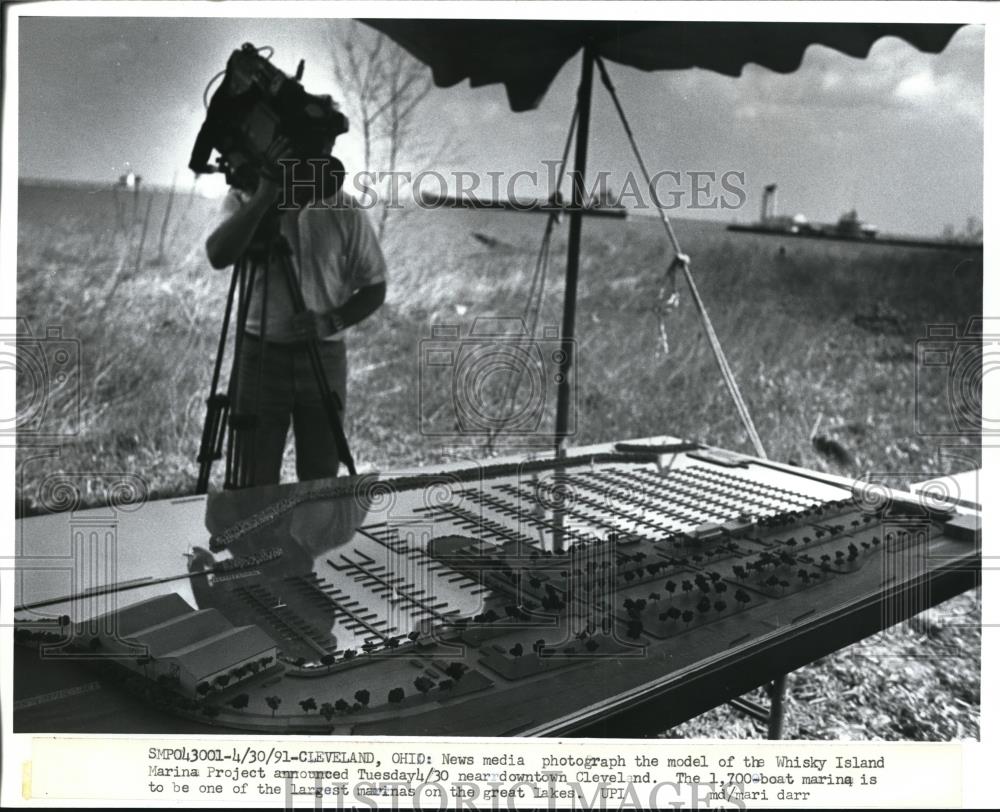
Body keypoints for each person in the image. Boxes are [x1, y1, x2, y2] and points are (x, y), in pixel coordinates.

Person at [205, 136, 386, 485]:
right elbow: (218, 255)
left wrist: (330, 321)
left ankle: (313, 537)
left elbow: (375, 286)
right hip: (259, 355)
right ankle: (255, 538)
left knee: (321, 475)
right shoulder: (245, 198)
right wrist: (263, 199)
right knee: (251, 478)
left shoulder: (344, 210)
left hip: (324, 355)